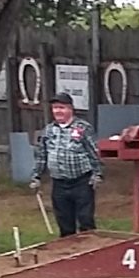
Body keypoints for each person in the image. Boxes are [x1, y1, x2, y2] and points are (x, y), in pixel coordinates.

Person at [29, 92, 103, 236]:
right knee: (64, 221)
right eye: (55, 108)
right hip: (59, 183)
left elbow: (94, 152)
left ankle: (89, 250)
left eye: (61, 108)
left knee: (85, 219)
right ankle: (68, 252)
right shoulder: (49, 130)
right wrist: (36, 176)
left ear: (70, 109)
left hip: (82, 182)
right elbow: (42, 155)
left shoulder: (82, 128)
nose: (58, 111)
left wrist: (97, 173)